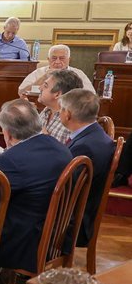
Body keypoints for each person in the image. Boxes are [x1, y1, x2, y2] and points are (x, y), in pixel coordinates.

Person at [0, 99, 72, 276]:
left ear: (8, 134)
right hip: (58, 235)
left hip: (24, 242)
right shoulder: (62, 149)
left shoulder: (11, 160)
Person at [59, 89, 116, 246]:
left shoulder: (85, 147)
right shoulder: (95, 135)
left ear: (68, 114)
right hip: (79, 213)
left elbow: (65, 189)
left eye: (61, 109)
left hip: (72, 224)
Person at [17, 44, 93, 96]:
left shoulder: (78, 73)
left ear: (69, 60)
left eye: (62, 58)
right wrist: (43, 78)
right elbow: (21, 92)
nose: (57, 62)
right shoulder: (39, 73)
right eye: (54, 58)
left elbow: (91, 94)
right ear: (48, 59)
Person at [37, 69, 84, 144]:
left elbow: (68, 151)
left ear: (57, 94)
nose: (40, 88)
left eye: (45, 86)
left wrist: (45, 139)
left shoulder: (72, 122)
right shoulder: (47, 110)